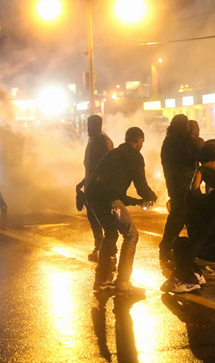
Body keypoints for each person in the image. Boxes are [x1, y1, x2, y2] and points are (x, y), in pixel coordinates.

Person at [163, 140, 215, 293]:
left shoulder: (203, 167)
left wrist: (201, 203)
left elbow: (194, 189)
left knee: (201, 233)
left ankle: (188, 278)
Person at [85, 127, 158, 296]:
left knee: (110, 234)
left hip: (93, 196)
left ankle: (102, 281)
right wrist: (151, 196)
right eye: (142, 142)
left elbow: (115, 190)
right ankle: (123, 282)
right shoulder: (135, 156)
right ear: (138, 139)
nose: (142, 146)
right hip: (107, 199)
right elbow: (141, 186)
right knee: (131, 234)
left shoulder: (113, 153)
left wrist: (137, 201)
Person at [159, 114, 200, 261]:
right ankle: (171, 247)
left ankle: (168, 246)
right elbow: (196, 155)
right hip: (185, 184)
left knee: (179, 215)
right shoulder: (183, 141)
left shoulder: (168, 141)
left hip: (173, 184)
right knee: (182, 216)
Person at [76, 115, 114, 262]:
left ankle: (105, 250)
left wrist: (92, 184)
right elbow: (92, 168)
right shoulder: (95, 140)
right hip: (92, 186)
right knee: (94, 219)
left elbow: (102, 167)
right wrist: (84, 182)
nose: (87, 128)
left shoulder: (101, 141)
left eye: (89, 125)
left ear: (96, 125)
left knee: (100, 219)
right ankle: (101, 248)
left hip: (98, 188)